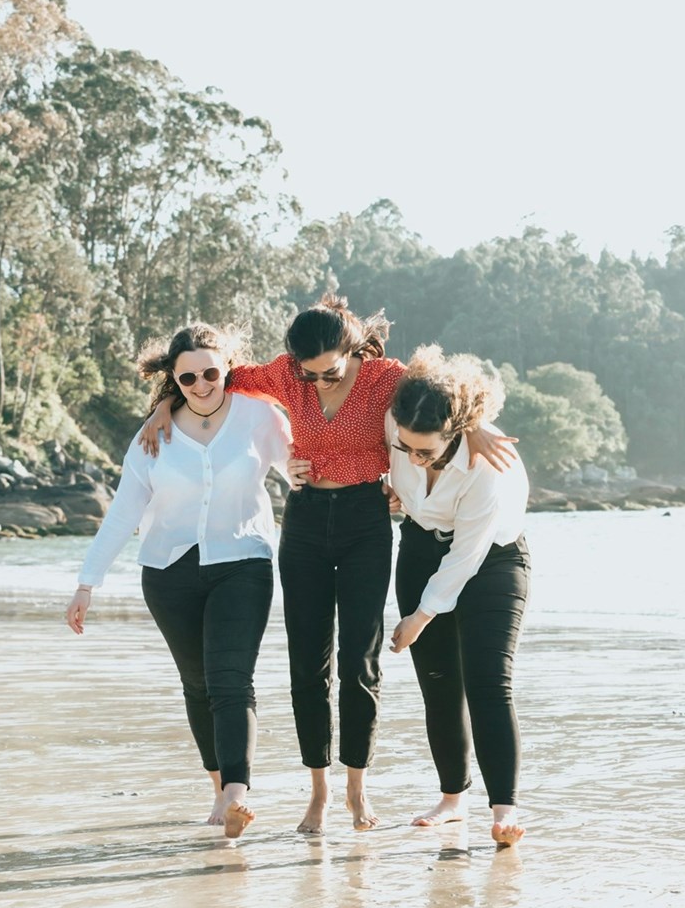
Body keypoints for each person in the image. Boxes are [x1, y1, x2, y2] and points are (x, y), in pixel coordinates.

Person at [141, 297, 515, 835]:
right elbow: (206, 382)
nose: (316, 382)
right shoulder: (283, 374)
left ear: (352, 349)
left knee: (359, 662)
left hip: (366, 520)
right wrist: (161, 408)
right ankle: (317, 795)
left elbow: (446, 394)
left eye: (329, 371)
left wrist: (475, 426)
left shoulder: (388, 377)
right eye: (308, 374)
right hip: (306, 521)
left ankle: (356, 793)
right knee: (306, 664)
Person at [65, 323, 291, 840]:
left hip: (243, 562)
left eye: (212, 372)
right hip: (169, 572)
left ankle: (238, 790)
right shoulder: (153, 435)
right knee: (198, 685)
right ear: (175, 379)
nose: (203, 384)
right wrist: (86, 583)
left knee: (232, 678)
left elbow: (298, 466)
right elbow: (124, 512)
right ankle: (219, 788)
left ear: (227, 367)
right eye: (188, 378)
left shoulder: (258, 416)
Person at [386, 345, 531, 848]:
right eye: (405, 449)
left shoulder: (486, 466)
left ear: (456, 434)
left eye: (425, 451)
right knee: (438, 683)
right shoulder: (403, 423)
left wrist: (419, 618)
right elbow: (390, 375)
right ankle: (452, 800)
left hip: (492, 560)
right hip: (421, 547)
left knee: (489, 681)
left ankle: (504, 810)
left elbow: (466, 557)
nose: (411, 457)